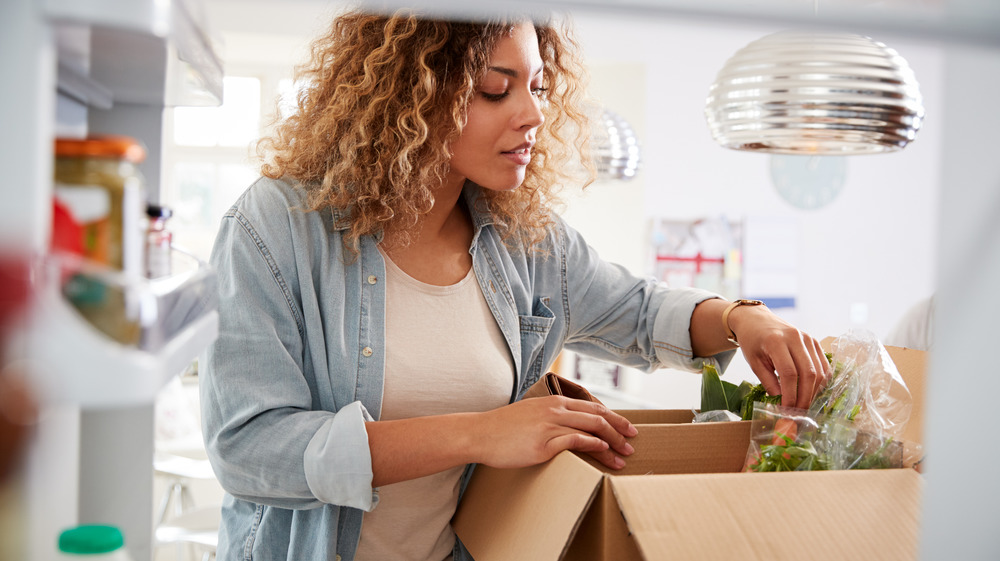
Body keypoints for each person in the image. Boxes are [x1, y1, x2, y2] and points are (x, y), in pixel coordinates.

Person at [200, 9, 830, 561]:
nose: (533, 114)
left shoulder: (523, 239)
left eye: (537, 86)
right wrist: (480, 433)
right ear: (408, 95)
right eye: (495, 90)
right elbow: (248, 447)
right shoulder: (277, 226)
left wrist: (744, 318)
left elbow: (638, 311)